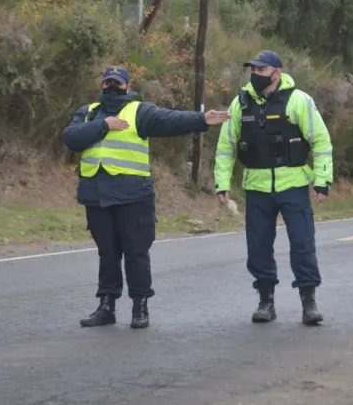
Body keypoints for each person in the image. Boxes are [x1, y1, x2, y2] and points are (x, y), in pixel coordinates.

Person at [63, 65, 230, 329]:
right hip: (98, 197)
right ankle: (106, 305)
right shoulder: (88, 113)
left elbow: (170, 120)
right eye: (107, 83)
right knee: (107, 253)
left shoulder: (139, 111)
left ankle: (140, 306)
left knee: (136, 253)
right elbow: (71, 138)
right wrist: (104, 125)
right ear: (101, 85)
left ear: (127, 87)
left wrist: (201, 120)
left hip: (133, 198)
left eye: (117, 83)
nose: (112, 87)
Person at [213, 50, 333, 326]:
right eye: (252, 70)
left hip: (293, 186)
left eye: (262, 70)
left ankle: (308, 301)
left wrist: (322, 181)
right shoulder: (240, 104)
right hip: (256, 188)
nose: (255, 75)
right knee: (258, 246)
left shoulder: (299, 101)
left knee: (303, 244)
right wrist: (222, 183)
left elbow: (321, 142)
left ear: (277, 72)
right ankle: (266, 301)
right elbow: (225, 147)